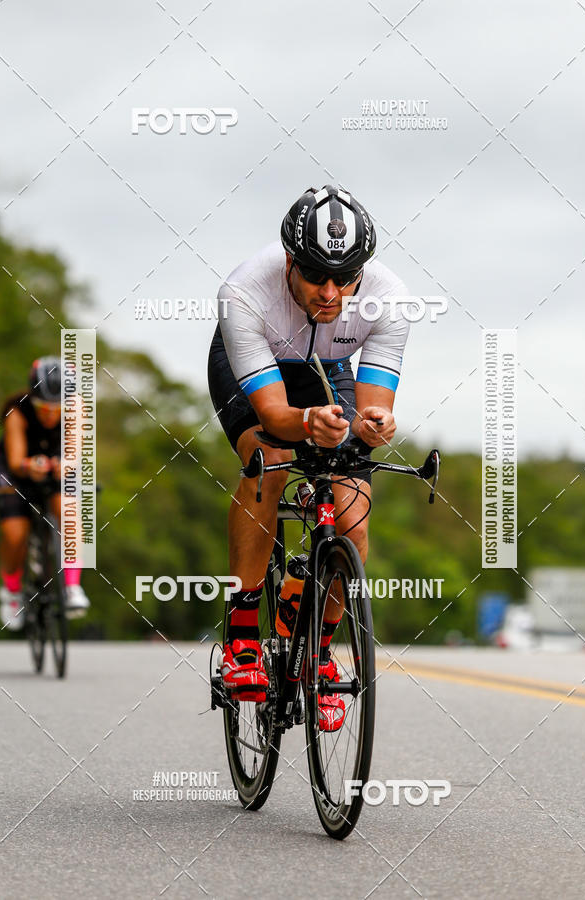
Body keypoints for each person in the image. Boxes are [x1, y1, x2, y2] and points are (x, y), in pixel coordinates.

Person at [208, 184, 410, 731]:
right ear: (290, 262)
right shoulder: (245, 292)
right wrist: (305, 425)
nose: (330, 291)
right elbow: (275, 415)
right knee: (270, 460)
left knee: (353, 511)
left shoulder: (389, 297)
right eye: (316, 275)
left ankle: (317, 649)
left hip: (329, 370)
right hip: (256, 368)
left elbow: (372, 415)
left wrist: (376, 424)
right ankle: (243, 635)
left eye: (345, 278)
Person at [0, 356, 90, 630]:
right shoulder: (17, 411)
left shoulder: (76, 407)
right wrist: (28, 466)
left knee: (68, 511)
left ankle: (71, 587)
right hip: (16, 469)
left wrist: (64, 464)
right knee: (15, 533)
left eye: (56, 407)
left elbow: (73, 452)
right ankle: (11, 591)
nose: (49, 413)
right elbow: (15, 461)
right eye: (42, 406)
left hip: (54, 464)